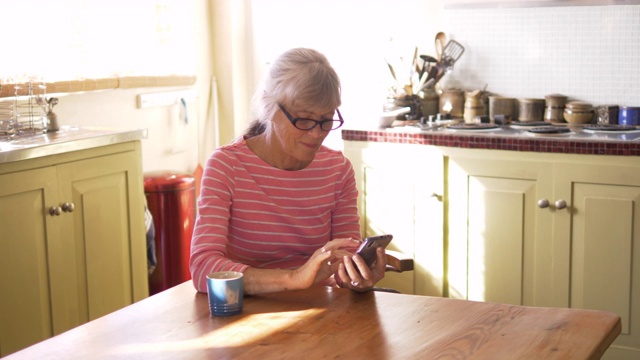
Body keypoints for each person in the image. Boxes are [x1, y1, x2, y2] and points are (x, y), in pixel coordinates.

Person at [190, 47, 386, 295]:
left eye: (325, 120)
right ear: (269, 107)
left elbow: (342, 262)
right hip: (246, 311)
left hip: (319, 311)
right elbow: (202, 268)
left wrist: (357, 276)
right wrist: (294, 278)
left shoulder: (337, 170)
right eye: (303, 119)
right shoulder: (227, 166)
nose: (316, 133)